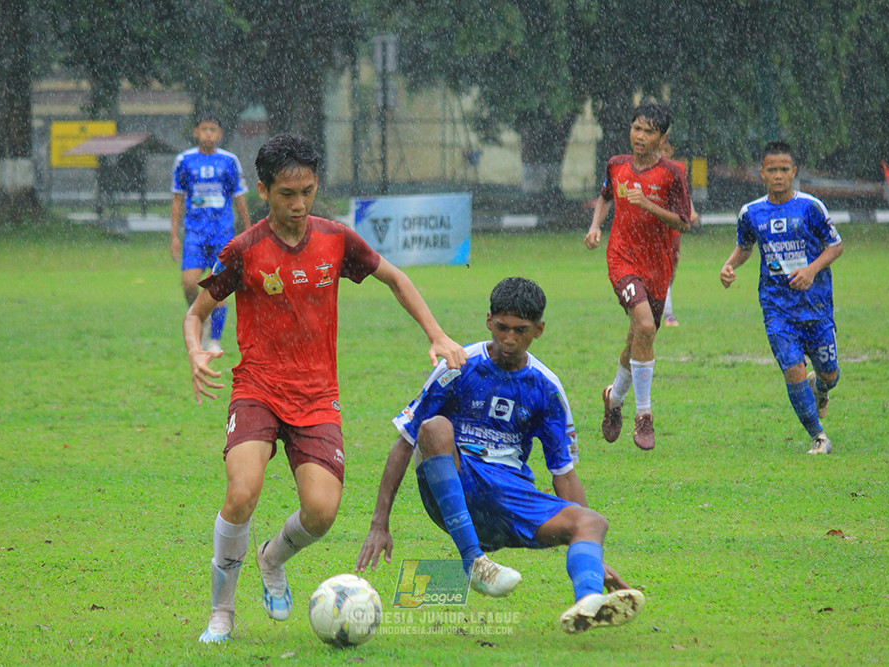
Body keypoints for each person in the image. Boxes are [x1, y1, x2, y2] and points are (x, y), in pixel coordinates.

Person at [185, 133, 467, 643]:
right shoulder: (244, 250)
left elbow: (396, 278)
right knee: (242, 492)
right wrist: (197, 348)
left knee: (321, 512)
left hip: (316, 396)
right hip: (258, 388)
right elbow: (197, 311)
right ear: (264, 190)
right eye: (287, 194)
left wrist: (438, 334)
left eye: (308, 192)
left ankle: (272, 558)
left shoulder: (335, 239)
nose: (299, 204)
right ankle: (221, 613)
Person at [356, 277, 645, 634]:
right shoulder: (457, 366)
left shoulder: (546, 387)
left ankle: (588, 601)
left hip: (510, 498)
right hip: (458, 486)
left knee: (592, 522)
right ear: (488, 320)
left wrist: (592, 554)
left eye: (520, 331)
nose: (509, 339)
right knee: (434, 428)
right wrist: (378, 524)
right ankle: (474, 560)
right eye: (502, 328)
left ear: (539, 330)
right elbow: (405, 441)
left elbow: (563, 474)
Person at [720, 141, 843, 454]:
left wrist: (811, 270)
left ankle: (821, 386)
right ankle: (819, 437)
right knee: (792, 369)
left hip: (815, 306)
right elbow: (745, 246)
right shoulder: (751, 213)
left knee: (830, 373)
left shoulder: (810, 207)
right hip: (777, 307)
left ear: (794, 172)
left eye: (783, 169)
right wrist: (730, 264)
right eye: (771, 169)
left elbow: (835, 247)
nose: (778, 175)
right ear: (761, 172)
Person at [583, 103, 692, 450]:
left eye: (648, 131)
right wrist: (595, 226)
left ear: (662, 136)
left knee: (637, 337)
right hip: (622, 259)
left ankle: (613, 398)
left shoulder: (673, 173)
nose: (640, 136)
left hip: (658, 265)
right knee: (645, 327)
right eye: (636, 128)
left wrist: (648, 204)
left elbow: (683, 222)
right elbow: (604, 196)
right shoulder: (616, 165)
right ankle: (644, 415)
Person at [171, 113, 252, 353]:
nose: (208, 133)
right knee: (188, 283)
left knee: (219, 286)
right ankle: (201, 315)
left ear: (220, 134)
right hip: (195, 235)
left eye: (213, 129)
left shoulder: (229, 161)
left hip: (222, 235)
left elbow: (239, 198)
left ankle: (214, 339)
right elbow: (177, 199)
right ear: (196, 132)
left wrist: (248, 231)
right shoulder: (184, 161)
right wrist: (174, 235)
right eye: (204, 129)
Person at [658, 136, 700, 327]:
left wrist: (691, 211)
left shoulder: (676, 170)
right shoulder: (652, 170)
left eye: (667, 150)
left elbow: (683, 194)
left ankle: (661, 299)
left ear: (672, 151)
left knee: (672, 269)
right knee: (663, 269)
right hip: (658, 227)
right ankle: (668, 315)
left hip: (674, 227)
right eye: (661, 150)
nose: (663, 154)